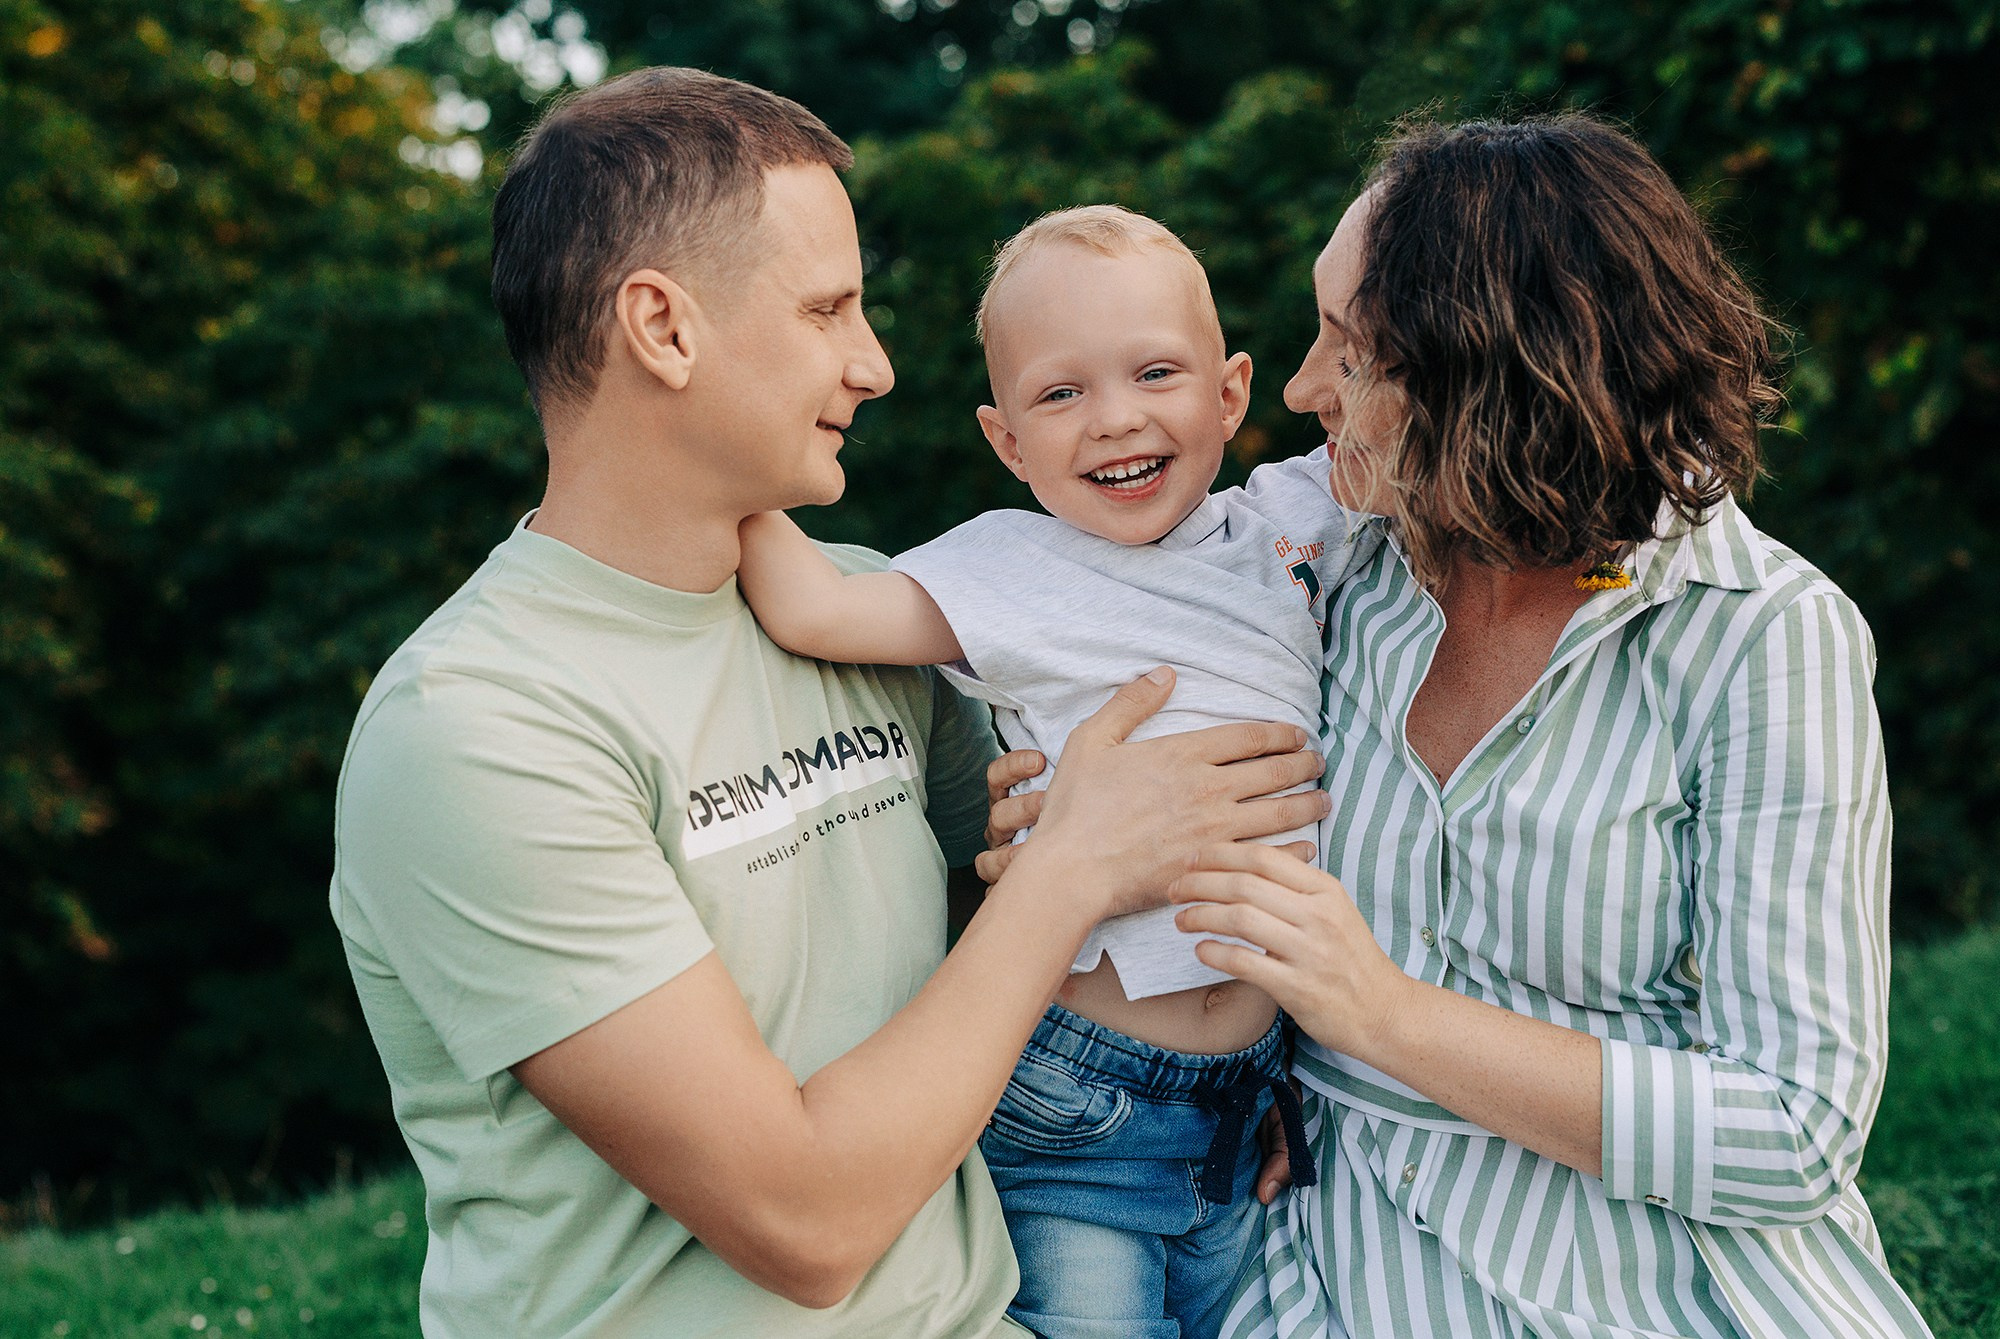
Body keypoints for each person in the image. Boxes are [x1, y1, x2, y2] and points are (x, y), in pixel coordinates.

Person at [326, 67, 1330, 1337]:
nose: (875, 364)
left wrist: (1210, 1072)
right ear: (663, 328)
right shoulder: (479, 726)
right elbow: (802, 1225)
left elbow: (1036, 913)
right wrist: (1072, 865)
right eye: (827, 309)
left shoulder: (865, 612)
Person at [1154, 115, 1934, 1337]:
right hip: (1337, 1260)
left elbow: (1793, 1129)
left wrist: (1384, 1017)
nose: (1300, 388)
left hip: (1660, 1281)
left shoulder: (1759, 634)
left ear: (1488, 380)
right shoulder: (1328, 573)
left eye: (1346, 355)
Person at [735, 204, 1370, 1338]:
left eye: (1155, 372)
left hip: (1252, 1100)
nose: (1114, 419)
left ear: (1229, 395)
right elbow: (812, 606)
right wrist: (726, 446)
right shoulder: (1008, 565)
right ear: (1007, 442)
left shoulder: (1288, 519)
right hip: (1083, 1101)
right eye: (1059, 394)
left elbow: (1440, 415)